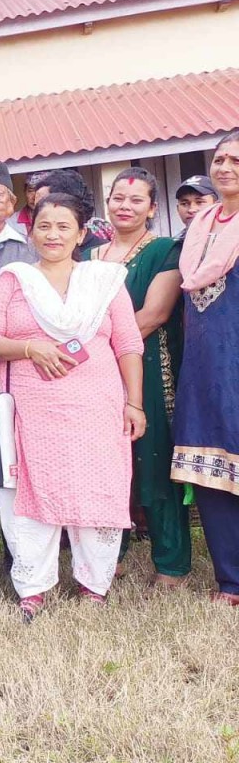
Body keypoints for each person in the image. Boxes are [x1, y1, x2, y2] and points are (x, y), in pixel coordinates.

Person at [0, 192, 146, 620]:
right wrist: (30, 348)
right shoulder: (12, 279)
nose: (52, 234)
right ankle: (33, 586)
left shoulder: (104, 280)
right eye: (44, 226)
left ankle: (94, 583)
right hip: (32, 411)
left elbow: (128, 344)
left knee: (98, 487)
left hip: (98, 408)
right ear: (31, 231)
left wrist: (135, 404)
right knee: (29, 492)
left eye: (63, 226)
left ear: (81, 233)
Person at [88, 167, 188, 587]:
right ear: (106, 202)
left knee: (154, 459)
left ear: (152, 206)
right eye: (117, 198)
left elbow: (153, 315)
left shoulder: (164, 249)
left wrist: (96, 351)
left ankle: (172, 563)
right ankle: (112, 557)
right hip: (94, 376)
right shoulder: (89, 256)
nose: (124, 207)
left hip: (148, 369)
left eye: (135, 200)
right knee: (107, 465)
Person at [173, 130, 239, 603]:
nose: (226, 167)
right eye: (220, 159)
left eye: (237, 160)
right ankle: (230, 579)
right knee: (212, 466)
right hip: (203, 364)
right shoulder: (200, 226)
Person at [33, 169, 112, 252]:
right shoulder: (36, 252)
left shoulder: (104, 254)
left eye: (43, 204)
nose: (37, 213)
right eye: (36, 207)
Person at [175, 175, 217, 239]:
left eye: (199, 202)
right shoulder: (173, 245)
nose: (191, 210)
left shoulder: (231, 239)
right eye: (185, 204)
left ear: (216, 206)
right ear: (177, 209)